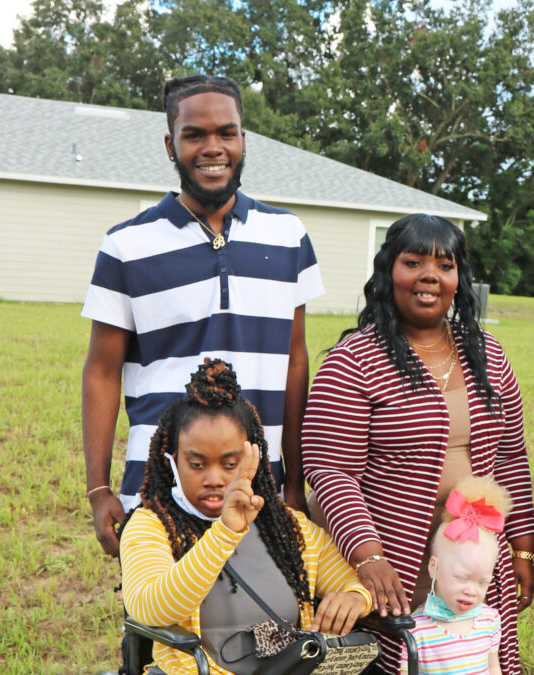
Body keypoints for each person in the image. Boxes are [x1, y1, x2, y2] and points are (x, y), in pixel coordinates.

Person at [81, 74, 324, 561]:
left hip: (263, 492)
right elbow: (102, 371)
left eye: (226, 133)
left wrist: (294, 479)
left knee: (268, 630)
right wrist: (97, 488)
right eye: (194, 135)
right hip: (158, 497)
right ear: (171, 145)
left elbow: (295, 362)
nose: (212, 148)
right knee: (168, 633)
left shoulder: (288, 235)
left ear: (243, 140)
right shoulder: (126, 245)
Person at [302, 213, 534, 674]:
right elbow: (332, 471)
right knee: (396, 658)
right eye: (413, 262)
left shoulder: (486, 353)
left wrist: (522, 547)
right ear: (389, 271)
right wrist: (368, 556)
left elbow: (511, 457)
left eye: (445, 265)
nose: (430, 275)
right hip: (389, 558)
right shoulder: (355, 360)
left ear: (458, 280)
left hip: (469, 557)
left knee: (467, 660)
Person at [120, 359, 372, 675]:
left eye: (230, 464)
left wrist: (356, 597)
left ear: (253, 458)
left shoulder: (286, 526)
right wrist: (225, 531)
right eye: (197, 465)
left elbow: (352, 577)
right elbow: (151, 608)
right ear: (172, 462)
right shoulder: (151, 526)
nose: (214, 479)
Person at [402, 475, 511, 675]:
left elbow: (493, 666)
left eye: (482, 582)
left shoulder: (489, 620)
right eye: (461, 578)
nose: (471, 591)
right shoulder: (417, 630)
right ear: (434, 567)